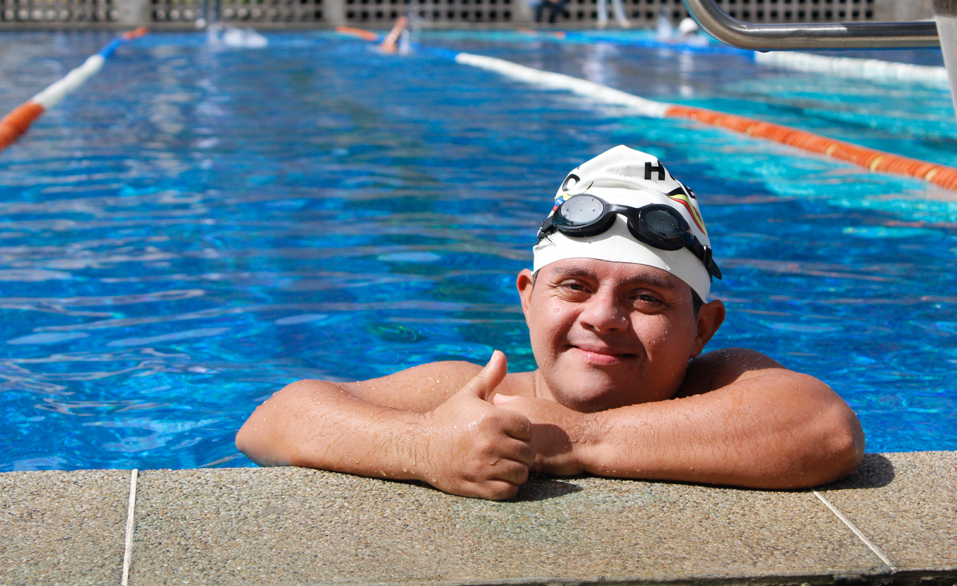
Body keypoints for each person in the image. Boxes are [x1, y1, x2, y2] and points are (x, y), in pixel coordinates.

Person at [236, 145, 865, 501]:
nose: (604, 318)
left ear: (703, 329)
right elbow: (272, 421)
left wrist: (564, 440)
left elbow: (825, 429)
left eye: (647, 299)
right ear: (527, 297)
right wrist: (422, 447)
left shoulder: (720, 383)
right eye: (575, 286)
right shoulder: (481, 392)